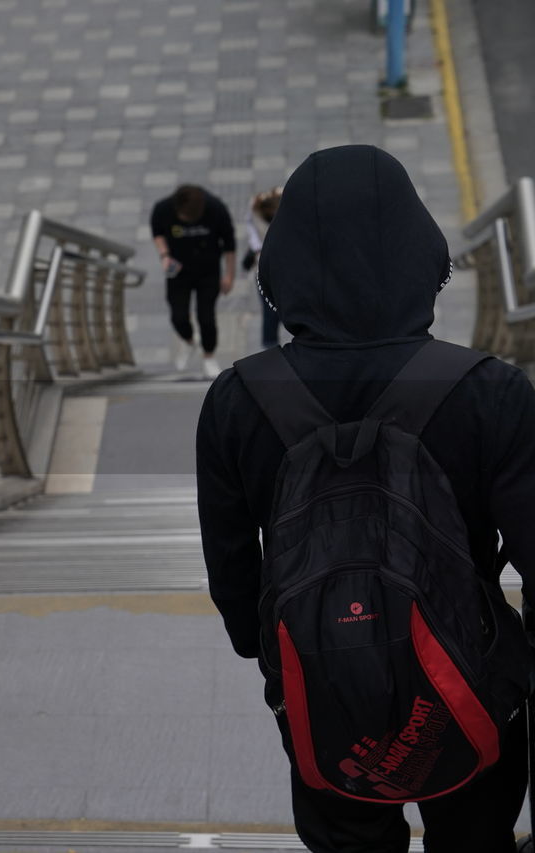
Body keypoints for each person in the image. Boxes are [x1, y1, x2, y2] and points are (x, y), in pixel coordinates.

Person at [196, 145, 535, 852]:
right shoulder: (489, 390)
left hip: (320, 675)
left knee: (348, 836)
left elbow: (232, 566)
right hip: (467, 670)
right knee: (476, 835)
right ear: (420, 251)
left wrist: (263, 646)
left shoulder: (238, 399)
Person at [150, 184, 237, 378]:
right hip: (179, 271)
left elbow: (230, 245)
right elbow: (157, 232)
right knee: (178, 317)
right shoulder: (163, 208)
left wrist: (229, 275)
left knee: (206, 317)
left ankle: (209, 356)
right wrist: (164, 255)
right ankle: (189, 341)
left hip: (208, 271)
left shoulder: (216, 209)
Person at [243, 186, 283, 349]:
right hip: (266, 268)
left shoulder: (258, 206)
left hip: (268, 266)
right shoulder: (258, 215)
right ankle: (270, 346)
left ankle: (270, 345)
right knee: (270, 311)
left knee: (272, 310)